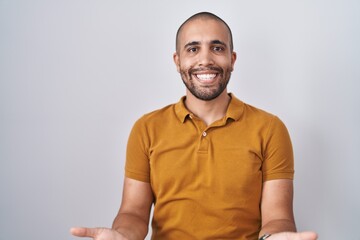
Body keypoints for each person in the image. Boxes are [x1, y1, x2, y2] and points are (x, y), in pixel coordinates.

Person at [71, 12, 318, 240]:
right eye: (193, 49)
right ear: (177, 61)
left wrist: (274, 237)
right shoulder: (146, 129)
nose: (205, 59)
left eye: (217, 48)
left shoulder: (270, 129)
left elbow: (278, 217)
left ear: (232, 59)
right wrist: (122, 235)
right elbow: (133, 213)